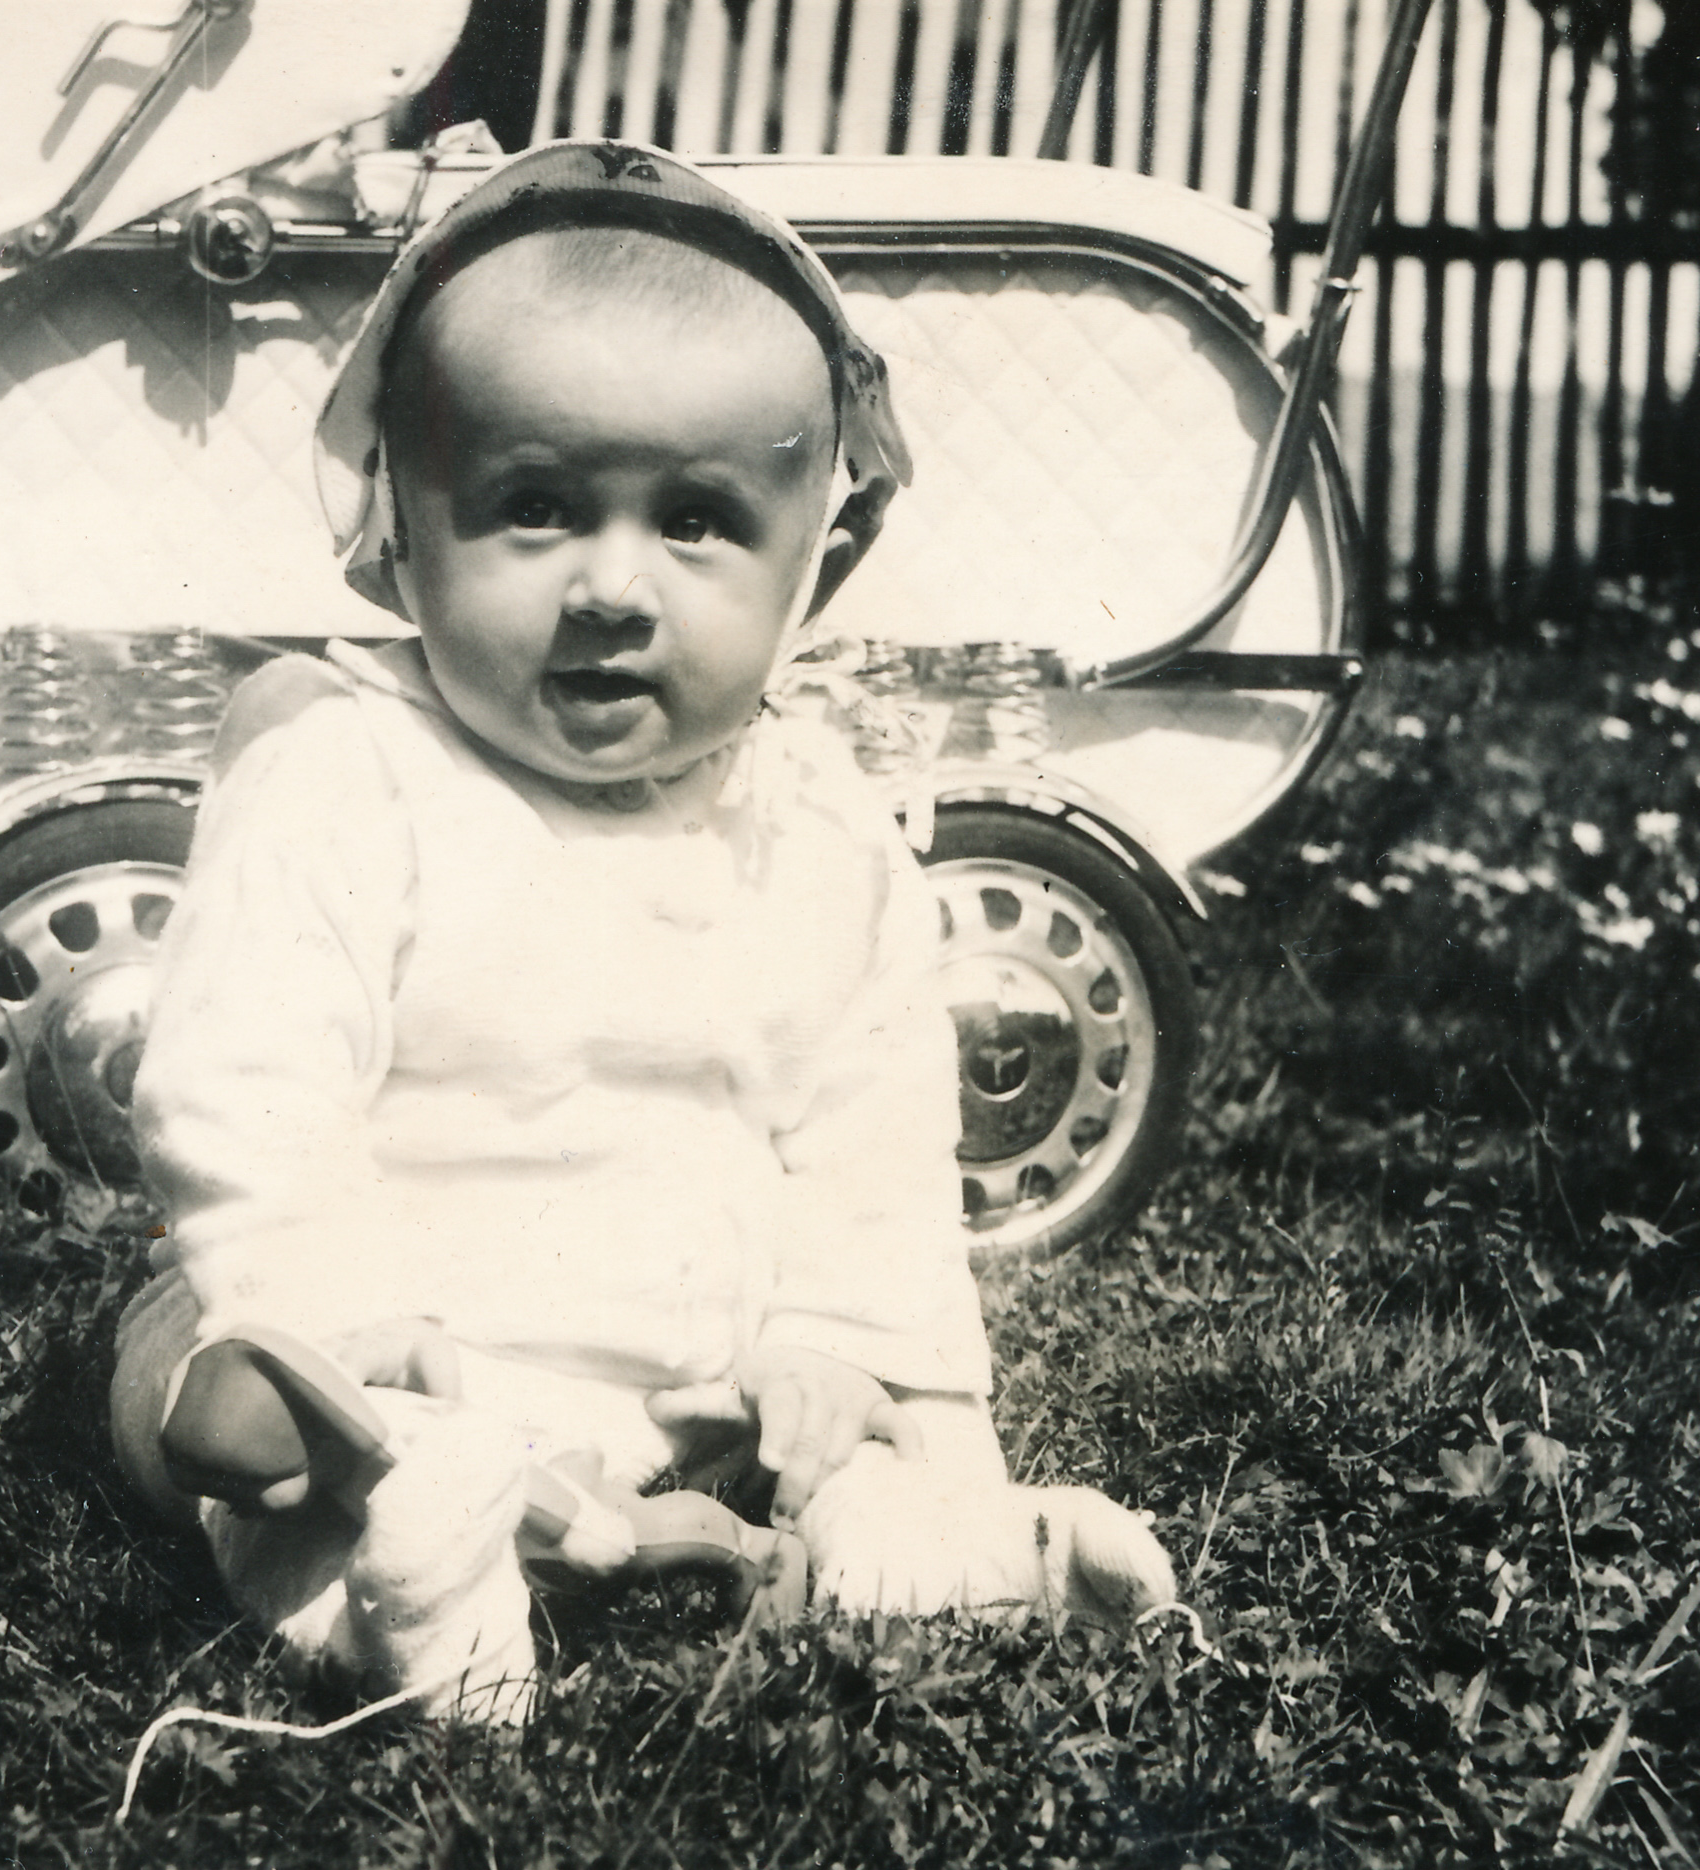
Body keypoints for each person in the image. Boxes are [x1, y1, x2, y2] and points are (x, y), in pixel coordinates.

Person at [110, 141, 1177, 1723]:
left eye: (695, 521)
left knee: (876, 1420)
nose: (612, 588)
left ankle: (933, 1537)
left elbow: (870, 1128)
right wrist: (337, 1314)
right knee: (219, 1402)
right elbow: (246, 1085)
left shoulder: (814, 826)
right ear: (400, 523)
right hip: (414, 1355)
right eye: (535, 509)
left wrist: (835, 1343)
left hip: (703, 1379)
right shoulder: (348, 771)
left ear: (811, 560)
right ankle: (419, 1591)